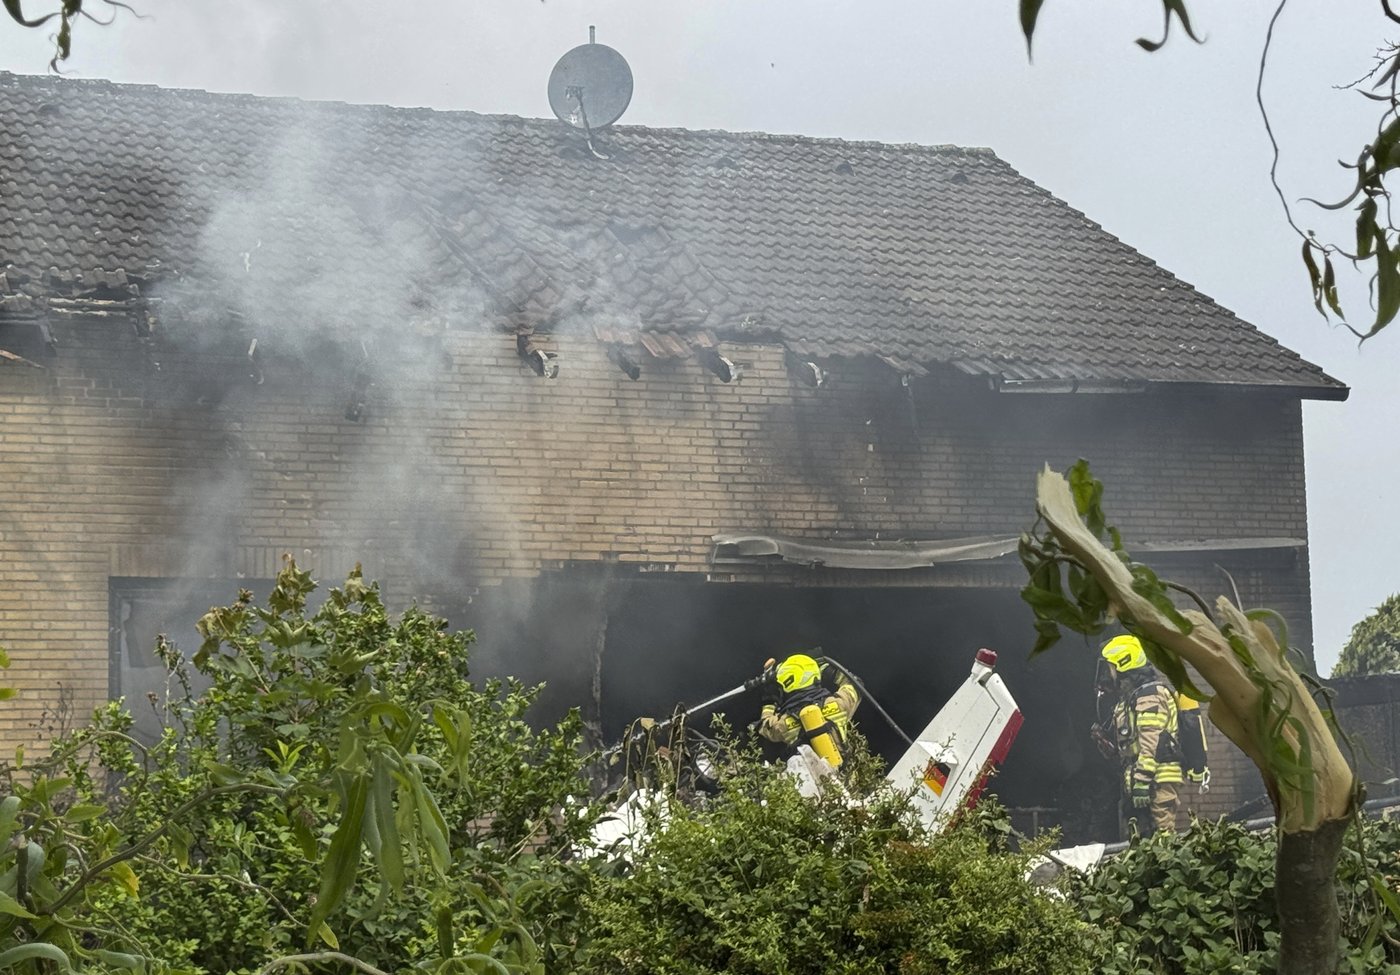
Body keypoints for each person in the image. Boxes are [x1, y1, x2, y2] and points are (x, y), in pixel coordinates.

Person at [1099, 634, 1183, 836]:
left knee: (1163, 838)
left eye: (1110, 667)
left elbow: (1151, 742)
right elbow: (1131, 743)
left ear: (1123, 664)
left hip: (1157, 779)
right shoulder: (1131, 698)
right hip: (1140, 777)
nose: (1107, 673)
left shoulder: (1149, 696)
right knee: (1142, 840)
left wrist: (1143, 781)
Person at [757, 652, 860, 768]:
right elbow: (855, 685)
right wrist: (829, 671)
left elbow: (764, 726)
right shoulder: (839, 704)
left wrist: (769, 700)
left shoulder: (783, 724)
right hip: (845, 780)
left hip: (813, 783)